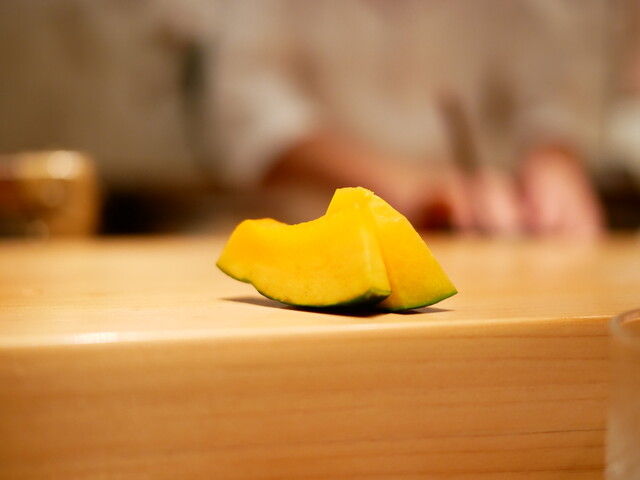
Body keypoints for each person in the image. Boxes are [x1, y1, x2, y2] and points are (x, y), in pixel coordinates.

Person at [214, 0, 606, 237]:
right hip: (305, 230)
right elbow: (249, 106)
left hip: (481, 232)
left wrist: (554, 159)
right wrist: (405, 185)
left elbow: (554, 89)